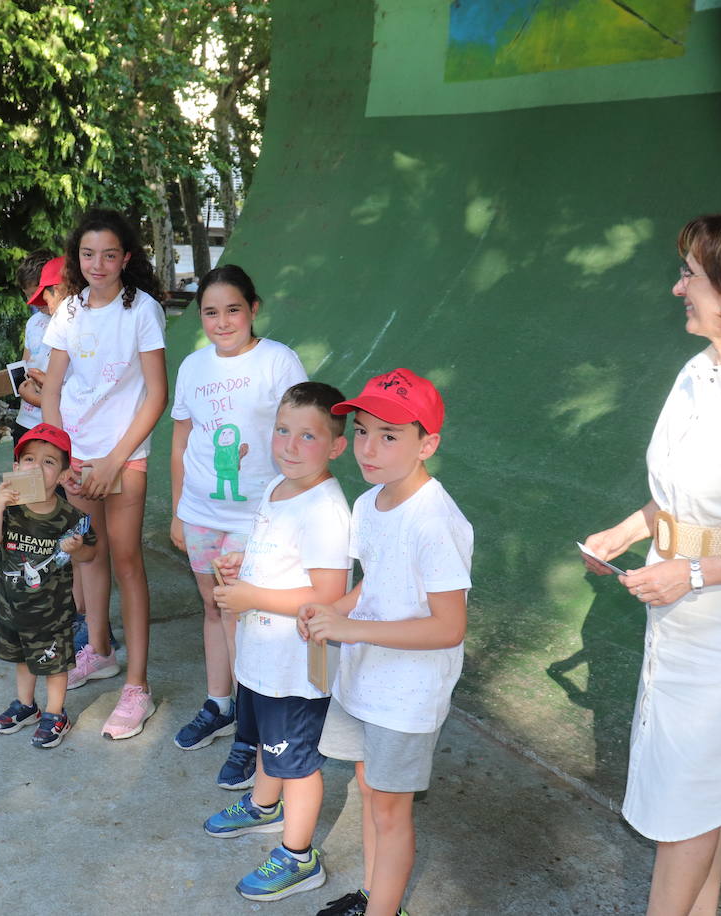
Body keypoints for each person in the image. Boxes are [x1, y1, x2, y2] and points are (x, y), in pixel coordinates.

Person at [581, 210, 721, 916]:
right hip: (682, 622)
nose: (679, 289)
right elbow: (682, 496)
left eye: (691, 276)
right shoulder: (699, 369)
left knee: (688, 802)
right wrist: (624, 531)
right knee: (708, 797)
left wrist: (693, 574)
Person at [301, 369, 472, 916]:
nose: (369, 448)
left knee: (392, 812)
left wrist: (350, 629)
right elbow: (377, 582)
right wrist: (335, 611)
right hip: (363, 680)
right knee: (372, 796)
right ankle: (376, 897)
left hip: (407, 696)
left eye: (390, 436)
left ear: (429, 445)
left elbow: (449, 626)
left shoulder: (435, 520)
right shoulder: (369, 503)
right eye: (361, 431)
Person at [201, 381, 351, 902]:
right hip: (261, 658)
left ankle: (299, 855)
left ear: (336, 446)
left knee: (298, 764)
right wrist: (243, 566)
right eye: (283, 430)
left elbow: (328, 594)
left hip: (296, 667)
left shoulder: (326, 509)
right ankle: (264, 807)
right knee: (265, 740)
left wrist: (251, 596)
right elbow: (278, 558)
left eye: (307, 436)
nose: (289, 444)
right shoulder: (278, 488)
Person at [169, 264, 308, 789]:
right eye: (210, 312)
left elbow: (305, 435)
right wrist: (180, 510)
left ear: (254, 309)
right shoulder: (193, 367)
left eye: (233, 309)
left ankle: (252, 734)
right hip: (203, 516)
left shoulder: (278, 362)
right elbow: (181, 441)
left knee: (248, 618)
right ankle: (219, 704)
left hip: (258, 521)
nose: (222, 321)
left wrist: (294, 513)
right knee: (213, 607)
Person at [41, 207, 167, 739]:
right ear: (78, 258)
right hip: (79, 455)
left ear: (126, 259)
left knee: (126, 560)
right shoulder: (68, 311)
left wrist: (117, 458)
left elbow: (156, 394)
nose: (98, 264)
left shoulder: (143, 310)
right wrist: (59, 456)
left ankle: (136, 687)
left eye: (109, 254)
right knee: (87, 556)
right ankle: (101, 650)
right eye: (88, 254)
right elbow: (50, 388)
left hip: (125, 455)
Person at [0, 423, 98, 748]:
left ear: (62, 476)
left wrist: (78, 549)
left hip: (52, 615)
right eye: (30, 459)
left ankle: (55, 713)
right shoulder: (10, 512)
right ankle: (26, 705)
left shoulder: (70, 517)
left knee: (54, 664)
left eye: (49, 462)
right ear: (16, 468)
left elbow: (92, 552)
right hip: (11, 609)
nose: (37, 466)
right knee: (23, 660)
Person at [13, 251, 60, 441]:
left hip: (54, 421)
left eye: (35, 294)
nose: (31, 301)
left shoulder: (70, 322)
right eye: (27, 295)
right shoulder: (33, 322)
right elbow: (26, 364)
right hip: (25, 420)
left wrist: (35, 398)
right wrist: (6, 382)